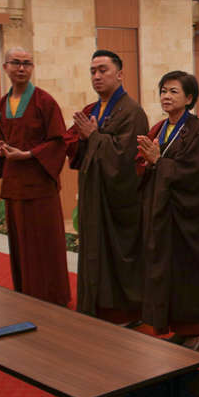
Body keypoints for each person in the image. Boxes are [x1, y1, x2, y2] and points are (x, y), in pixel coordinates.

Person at [135, 71, 199, 350]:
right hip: (164, 214)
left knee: (187, 273)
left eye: (173, 91)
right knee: (168, 271)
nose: (166, 97)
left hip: (188, 217)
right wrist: (147, 163)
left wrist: (159, 162)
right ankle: (177, 329)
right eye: (163, 91)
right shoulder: (159, 128)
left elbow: (197, 173)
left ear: (189, 98)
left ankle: (193, 332)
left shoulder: (196, 129)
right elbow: (144, 164)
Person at [65, 49, 148, 321]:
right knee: (93, 250)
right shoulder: (92, 110)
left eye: (103, 70)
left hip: (119, 201)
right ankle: (95, 306)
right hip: (94, 194)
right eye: (93, 71)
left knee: (117, 254)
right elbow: (74, 146)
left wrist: (94, 137)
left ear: (120, 74)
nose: (97, 76)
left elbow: (126, 157)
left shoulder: (132, 111)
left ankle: (125, 312)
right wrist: (81, 139)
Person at [0, 47, 70, 306]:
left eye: (27, 63)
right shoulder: (2, 104)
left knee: (44, 244)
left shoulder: (44, 102)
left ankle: (52, 297)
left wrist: (28, 155)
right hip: (14, 185)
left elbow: (59, 142)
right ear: (5, 67)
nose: (22, 68)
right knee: (21, 244)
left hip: (39, 186)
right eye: (16, 63)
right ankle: (26, 294)